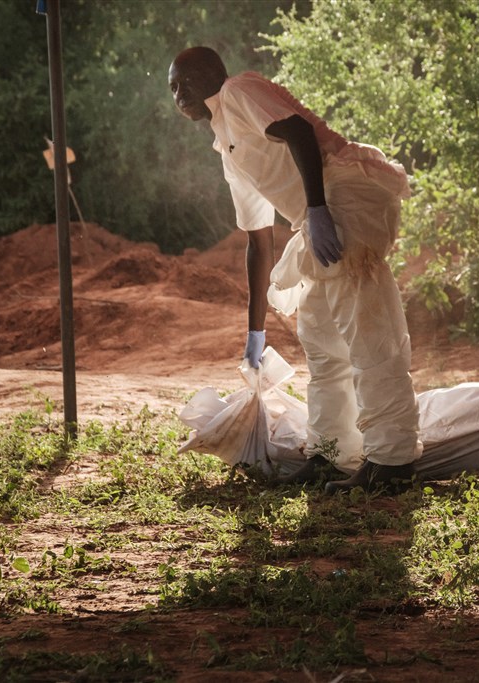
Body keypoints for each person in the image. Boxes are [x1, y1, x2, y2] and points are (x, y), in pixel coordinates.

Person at [168, 46, 421, 492]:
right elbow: (257, 238)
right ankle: (330, 455)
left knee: (365, 331)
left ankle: (392, 462)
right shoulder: (226, 143)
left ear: (211, 74)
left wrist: (319, 209)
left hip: (343, 190)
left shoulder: (238, 90)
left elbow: (300, 132)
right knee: (322, 339)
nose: (177, 93)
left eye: (184, 82)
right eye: (171, 87)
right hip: (315, 215)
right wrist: (255, 333)